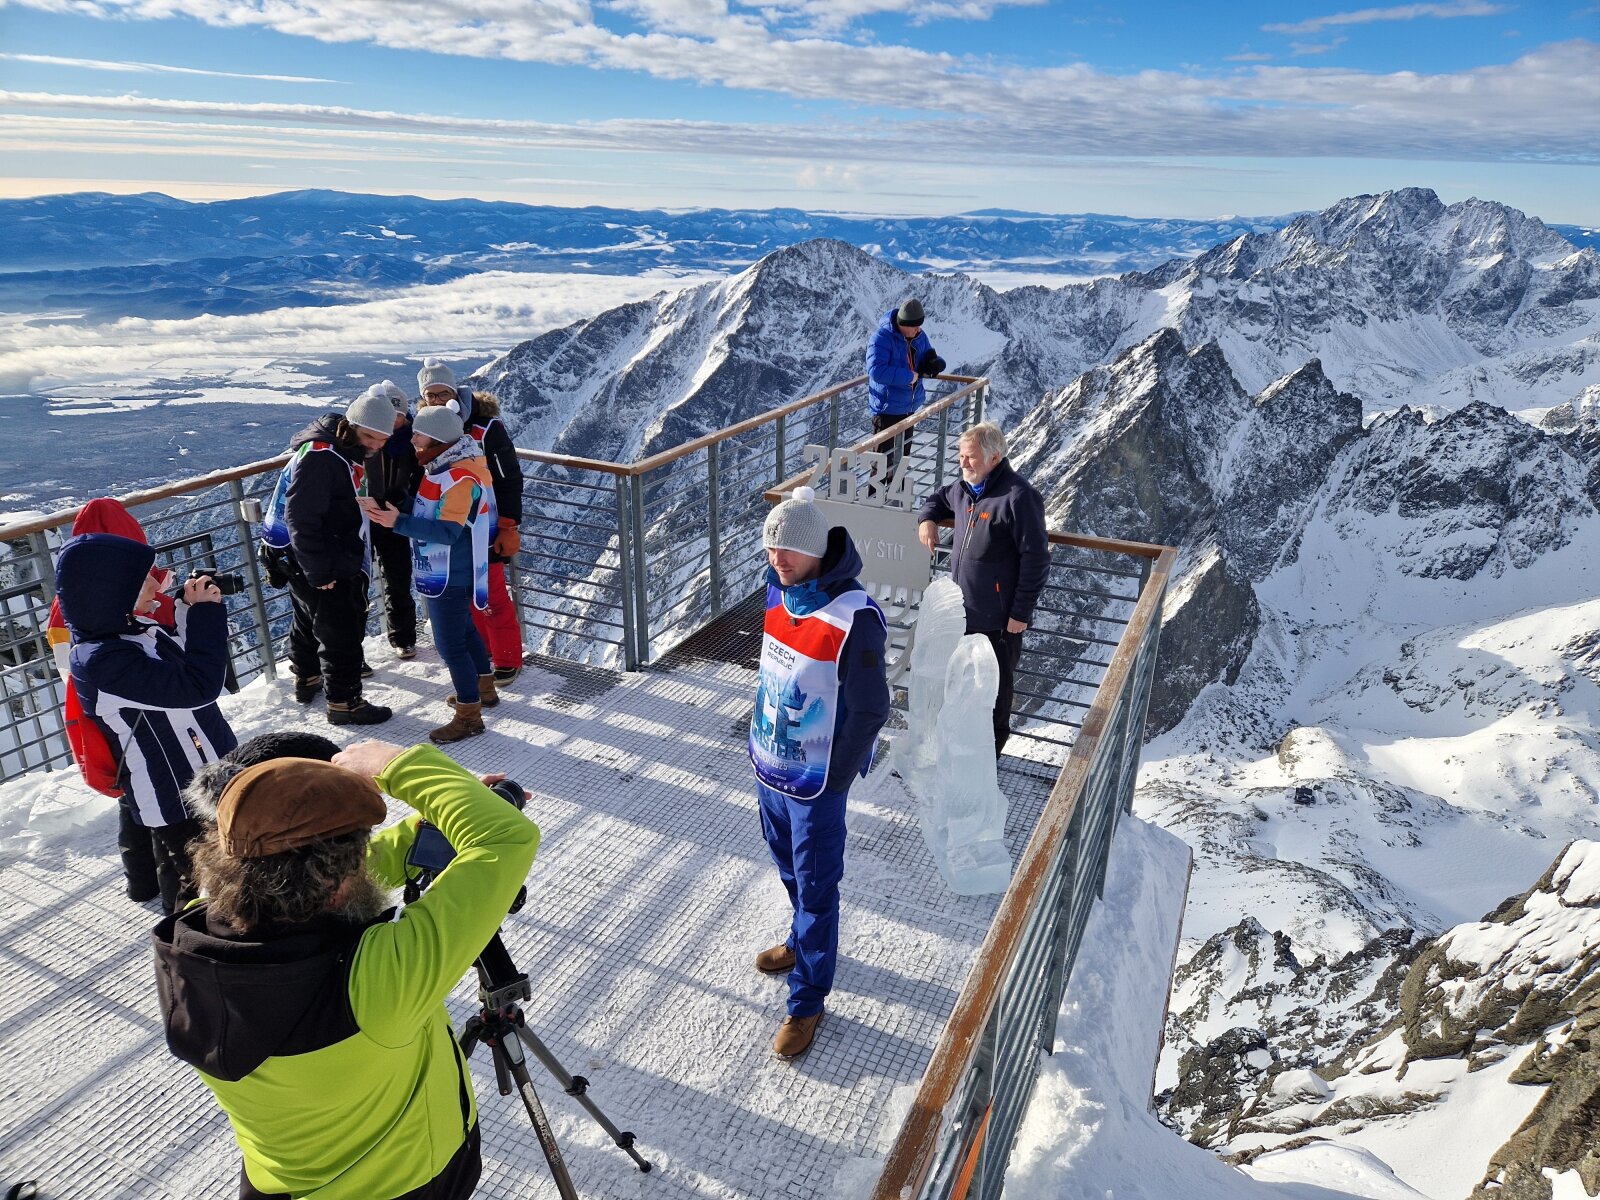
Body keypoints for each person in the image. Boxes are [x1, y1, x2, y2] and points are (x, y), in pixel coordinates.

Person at [152, 738, 540, 1200]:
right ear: (336, 885)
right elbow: (505, 838)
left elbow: (317, 873)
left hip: (279, 1184)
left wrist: (428, 827)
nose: (366, 861)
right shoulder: (380, 984)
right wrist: (402, 767)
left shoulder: (193, 934)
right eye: (359, 854)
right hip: (408, 1183)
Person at [749, 486, 889, 1059]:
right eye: (771, 547)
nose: (777, 558)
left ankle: (807, 1001)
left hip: (815, 784)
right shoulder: (779, 593)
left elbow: (872, 708)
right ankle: (800, 942)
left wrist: (836, 777)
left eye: (789, 549)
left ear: (817, 551)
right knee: (788, 868)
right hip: (770, 768)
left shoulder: (855, 616)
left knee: (816, 885)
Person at [56, 532, 238, 913]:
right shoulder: (100, 660)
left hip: (206, 767)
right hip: (173, 793)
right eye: (142, 579)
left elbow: (187, 662)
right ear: (108, 593)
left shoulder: (134, 628)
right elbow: (196, 687)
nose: (157, 583)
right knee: (194, 885)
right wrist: (205, 614)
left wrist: (189, 610)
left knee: (226, 863)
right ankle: (188, 948)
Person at [45, 497, 174, 902]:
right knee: (160, 796)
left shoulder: (70, 599)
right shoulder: (140, 595)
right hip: (144, 716)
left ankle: (139, 881)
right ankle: (170, 888)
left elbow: (64, 657)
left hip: (91, 708)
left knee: (131, 791)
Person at [362, 403, 499, 744]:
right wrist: (403, 508)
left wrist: (399, 522)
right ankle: (483, 689)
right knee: (465, 631)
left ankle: (469, 715)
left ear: (437, 437)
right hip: (453, 568)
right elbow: (435, 512)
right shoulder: (448, 467)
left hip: (450, 571)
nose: (412, 441)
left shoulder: (457, 478)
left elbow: (449, 531)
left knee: (449, 644)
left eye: (418, 434)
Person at [259, 390, 395, 725]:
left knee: (307, 620)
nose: (376, 446)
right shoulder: (323, 458)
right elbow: (302, 518)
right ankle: (344, 703)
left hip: (299, 554)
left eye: (382, 440)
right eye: (369, 437)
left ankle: (307, 678)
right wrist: (320, 571)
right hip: (322, 557)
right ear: (351, 427)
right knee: (341, 632)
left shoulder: (330, 447)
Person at [915, 422, 1050, 756]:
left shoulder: (1018, 497)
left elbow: (1037, 560)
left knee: (995, 696)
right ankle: (958, 756)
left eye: (971, 457)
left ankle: (988, 764)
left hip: (1000, 624)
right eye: (961, 456)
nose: (963, 463)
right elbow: (937, 499)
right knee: (959, 689)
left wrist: (1020, 613)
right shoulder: (964, 491)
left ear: (994, 457)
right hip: (963, 616)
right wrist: (927, 520)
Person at [418, 359, 524, 685]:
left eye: (442, 392)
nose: (437, 399)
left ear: (455, 390)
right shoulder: (424, 427)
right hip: (447, 531)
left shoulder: (486, 429)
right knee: (465, 596)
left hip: (485, 527)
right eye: (430, 394)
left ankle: (507, 657)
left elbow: (508, 479)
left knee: (491, 595)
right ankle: (484, 652)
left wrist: (508, 525)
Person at [363, 380, 423, 661]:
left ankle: (403, 638)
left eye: (398, 416)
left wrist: (407, 506)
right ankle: (353, 651)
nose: (393, 422)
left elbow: (423, 477)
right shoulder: (362, 437)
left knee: (398, 578)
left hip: (393, 515)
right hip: (361, 517)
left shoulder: (415, 439)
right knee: (354, 582)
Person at [864, 297, 945, 473]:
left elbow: (927, 355)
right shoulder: (881, 338)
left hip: (909, 408)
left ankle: (897, 498)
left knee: (901, 462)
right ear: (904, 323)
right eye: (915, 326)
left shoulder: (918, 336)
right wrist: (909, 377)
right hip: (887, 410)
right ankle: (873, 498)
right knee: (881, 465)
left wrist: (934, 363)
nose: (919, 330)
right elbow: (877, 371)